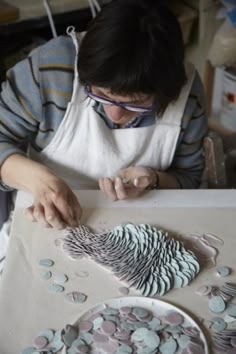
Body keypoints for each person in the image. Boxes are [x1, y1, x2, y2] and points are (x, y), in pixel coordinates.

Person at [0, 0, 207, 239]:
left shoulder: (186, 94)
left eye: (136, 102)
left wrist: (153, 179)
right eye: (102, 94)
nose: (115, 114)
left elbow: (190, 178)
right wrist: (40, 181)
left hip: (140, 230)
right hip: (41, 218)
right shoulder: (52, 69)